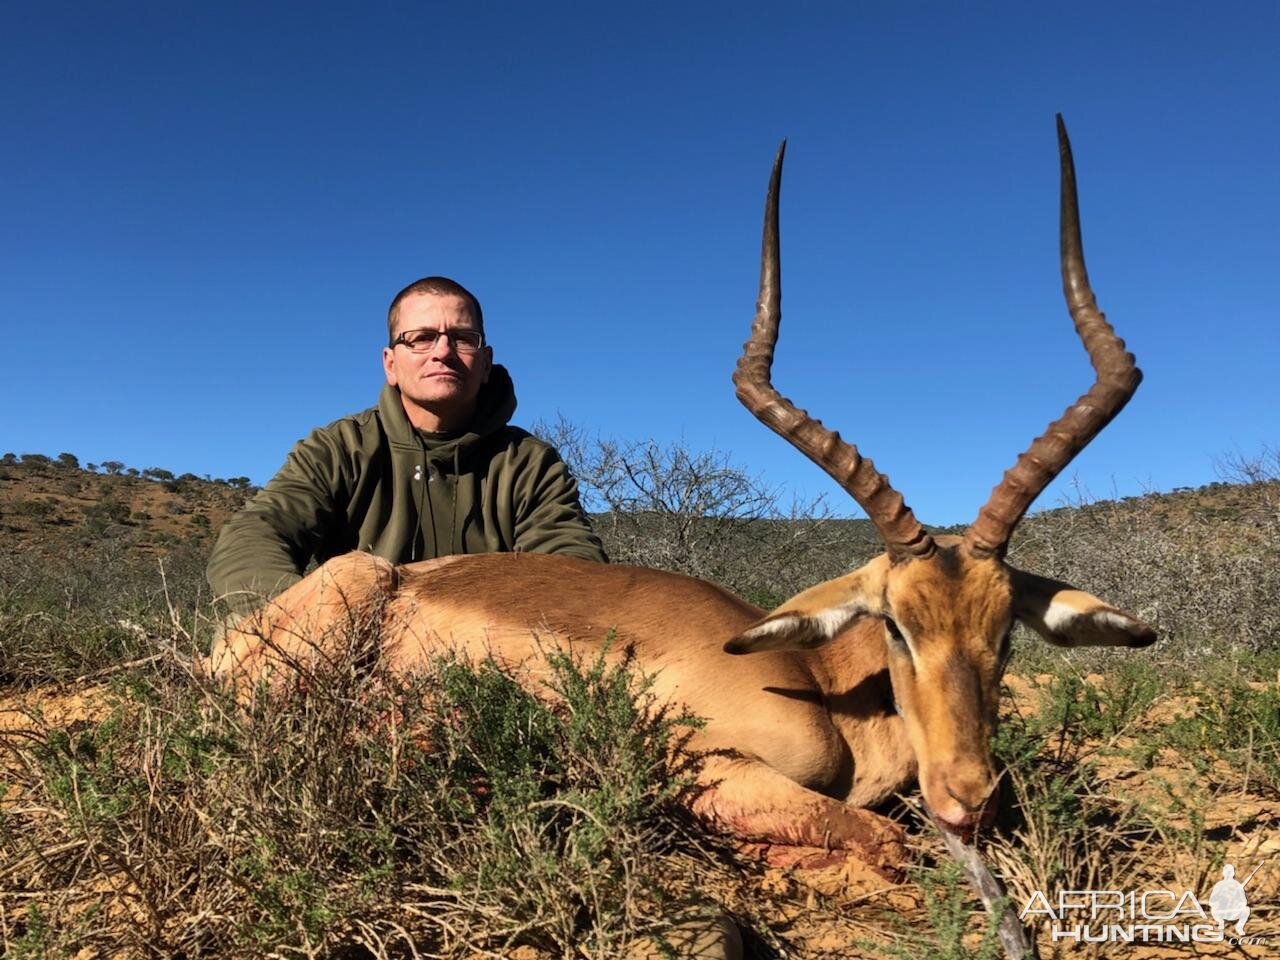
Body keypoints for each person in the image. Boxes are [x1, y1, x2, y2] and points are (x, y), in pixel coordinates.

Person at [207, 276, 606, 615]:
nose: (443, 352)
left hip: (487, 649)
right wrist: (314, 621)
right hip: (356, 643)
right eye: (421, 338)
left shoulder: (530, 463)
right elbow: (255, 536)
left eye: (463, 338)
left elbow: (571, 567)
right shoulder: (339, 447)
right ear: (391, 363)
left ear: (485, 363)